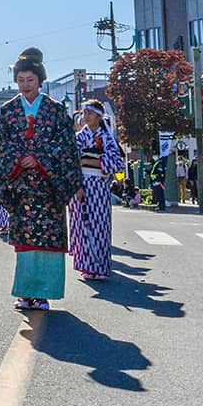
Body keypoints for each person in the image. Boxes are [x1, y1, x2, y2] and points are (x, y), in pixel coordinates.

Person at [0, 48, 83, 313]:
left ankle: (44, 294)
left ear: (40, 81)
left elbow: (66, 146)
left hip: (49, 186)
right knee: (26, 241)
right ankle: (25, 292)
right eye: (20, 79)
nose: (25, 85)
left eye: (30, 79)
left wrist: (39, 158)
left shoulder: (55, 110)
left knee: (48, 239)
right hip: (20, 185)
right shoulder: (8, 112)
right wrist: (20, 159)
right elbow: (1, 144)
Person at [68, 99, 123, 281]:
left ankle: (100, 266)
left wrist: (87, 161)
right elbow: (71, 163)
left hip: (99, 185)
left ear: (99, 116)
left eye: (90, 113)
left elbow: (117, 163)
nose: (86, 117)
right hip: (81, 184)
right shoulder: (78, 138)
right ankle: (86, 266)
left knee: (100, 225)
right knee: (82, 226)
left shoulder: (107, 138)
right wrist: (77, 185)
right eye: (84, 113)